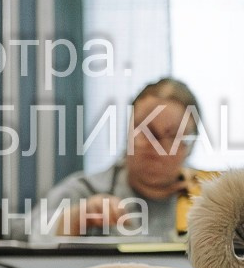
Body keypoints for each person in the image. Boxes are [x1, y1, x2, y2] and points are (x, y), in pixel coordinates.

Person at [45, 78, 209, 238]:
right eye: (146, 130)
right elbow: (24, 233)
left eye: (173, 136)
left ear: (190, 145)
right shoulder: (85, 192)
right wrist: (72, 220)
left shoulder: (211, 202)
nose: (156, 145)